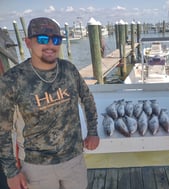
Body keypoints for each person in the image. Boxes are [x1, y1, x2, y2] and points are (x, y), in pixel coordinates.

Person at [0, 17, 100, 189]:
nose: (50, 45)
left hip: (74, 159)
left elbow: (87, 99)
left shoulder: (69, 69)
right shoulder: (12, 80)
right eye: (42, 39)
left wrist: (92, 131)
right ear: (28, 42)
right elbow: (3, 129)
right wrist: (11, 171)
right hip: (36, 167)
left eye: (56, 40)